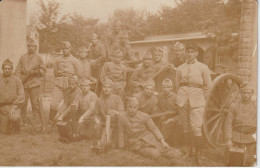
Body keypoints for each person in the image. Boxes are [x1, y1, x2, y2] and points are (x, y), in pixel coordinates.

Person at [175, 43, 212, 164]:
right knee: (185, 126)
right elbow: (176, 85)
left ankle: (198, 153)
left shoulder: (203, 67)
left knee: (196, 127)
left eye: (193, 52)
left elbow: (208, 86)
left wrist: (202, 99)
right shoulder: (180, 68)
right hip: (182, 99)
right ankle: (189, 150)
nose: (190, 54)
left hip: (197, 99)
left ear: (196, 53)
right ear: (185, 53)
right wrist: (181, 97)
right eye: (188, 52)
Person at [15, 39, 46, 128]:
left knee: (35, 104)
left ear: (35, 48)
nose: (31, 48)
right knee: (22, 103)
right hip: (24, 85)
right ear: (27, 47)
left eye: (33, 47)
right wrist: (19, 80)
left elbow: (44, 70)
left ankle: (37, 121)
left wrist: (36, 72)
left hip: (35, 84)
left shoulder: (39, 57)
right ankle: (22, 121)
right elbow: (18, 70)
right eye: (29, 46)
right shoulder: (23, 57)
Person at [224, 82, 256, 166]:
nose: (245, 95)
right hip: (236, 138)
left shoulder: (256, 106)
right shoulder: (234, 106)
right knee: (234, 162)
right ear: (241, 93)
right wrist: (229, 139)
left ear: (252, 93)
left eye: (248, 93)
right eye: (244, 92)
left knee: (250, 162)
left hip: (251, 139)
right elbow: (228, 123)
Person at [50, 41, 81, 123]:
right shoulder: (58, 60)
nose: (65, 50)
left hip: (70, 85)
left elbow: (78, 73)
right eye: (63, 48)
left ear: (70, 49)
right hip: (59, 84)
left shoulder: (74, 60)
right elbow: (55, 72)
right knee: (53, 103)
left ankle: (66, 121)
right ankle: (51, 121)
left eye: (66, 48)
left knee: (69, 104)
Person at [94, 80, 125, 148]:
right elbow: (96, 114)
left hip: (116, 124)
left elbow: (122, 113)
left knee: (115, 145)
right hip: (105, 124)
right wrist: (96, 120)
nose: (106, 89)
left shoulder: (117, 98)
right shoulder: (99, 100)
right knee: (104, 143)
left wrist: (115, 112)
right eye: (105, 87)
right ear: (102, 88)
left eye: (108, 87)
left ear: (111, 89)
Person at [0, 59, 25, 134]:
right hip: (2, 106)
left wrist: (14, 107)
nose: (7, 70)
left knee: (14, 118)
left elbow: (21, 95)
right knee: (4, 131)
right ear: (2, 69)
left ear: (12, 69)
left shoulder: (17, 80)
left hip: (13, 106)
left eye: (9, 68)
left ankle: (17, 126)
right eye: (5, 68)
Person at [54, 76, 82, 141]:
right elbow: (65, 104)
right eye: (70, 84)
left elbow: (72, 106)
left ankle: (72, 133)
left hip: (77, 110)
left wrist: (62, 115)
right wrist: (59, 113)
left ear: (76, 84)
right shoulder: (68, 90)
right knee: (58, 119)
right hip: (70, 110)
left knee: (68, 122)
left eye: (73, 84)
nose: (71, 86)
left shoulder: (79, 91)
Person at [158, 78, 183, 147]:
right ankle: (162, 141)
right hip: (164, 117)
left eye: (168, 87)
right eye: (164, 87)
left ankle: (176, 143)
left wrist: (173, 119)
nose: (165, 89)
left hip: (175, 118)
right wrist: (161, 115)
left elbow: (181, 114)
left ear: (171, 88)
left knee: (179, 124)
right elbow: (158, 108)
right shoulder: (159, 96)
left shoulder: (176, 98)